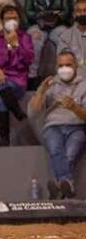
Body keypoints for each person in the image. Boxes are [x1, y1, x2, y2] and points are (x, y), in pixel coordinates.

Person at [28, 51, 86, 198]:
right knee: (55, 150)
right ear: (56, 67)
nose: (64, 69)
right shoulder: (50, 84)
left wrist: (74, 107)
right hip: (52, 127)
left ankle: (59, 188)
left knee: (70, 155)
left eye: (68, 65)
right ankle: (68, 186)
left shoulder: (84, 85)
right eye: (60, 65)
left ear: (76, 65)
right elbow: (33, 113)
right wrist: (40, 92)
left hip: (77, 127)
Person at [0, 5, 34, 146]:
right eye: (8, 18)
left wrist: (15, 45)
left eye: (14, 18)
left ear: (19, 20)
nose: (12, 21)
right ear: (2, 21)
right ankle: (16, 109)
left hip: (15, 80)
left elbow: (27, 61)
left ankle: (4, 139)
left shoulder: (25, 38)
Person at [26, 0, 73, 81]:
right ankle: (32, 77)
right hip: (38, 25)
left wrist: (53, 17)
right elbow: (29, 13)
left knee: (66, 38)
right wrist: (50, 13)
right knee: (34, 39)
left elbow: (66, 11)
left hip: (58, 25)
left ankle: (65, 75)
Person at [56, 0, 86, 66]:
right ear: (74, 15)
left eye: (85, 10)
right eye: (78, 11)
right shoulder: (64, 36)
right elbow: (63, 62)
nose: (82, 14)